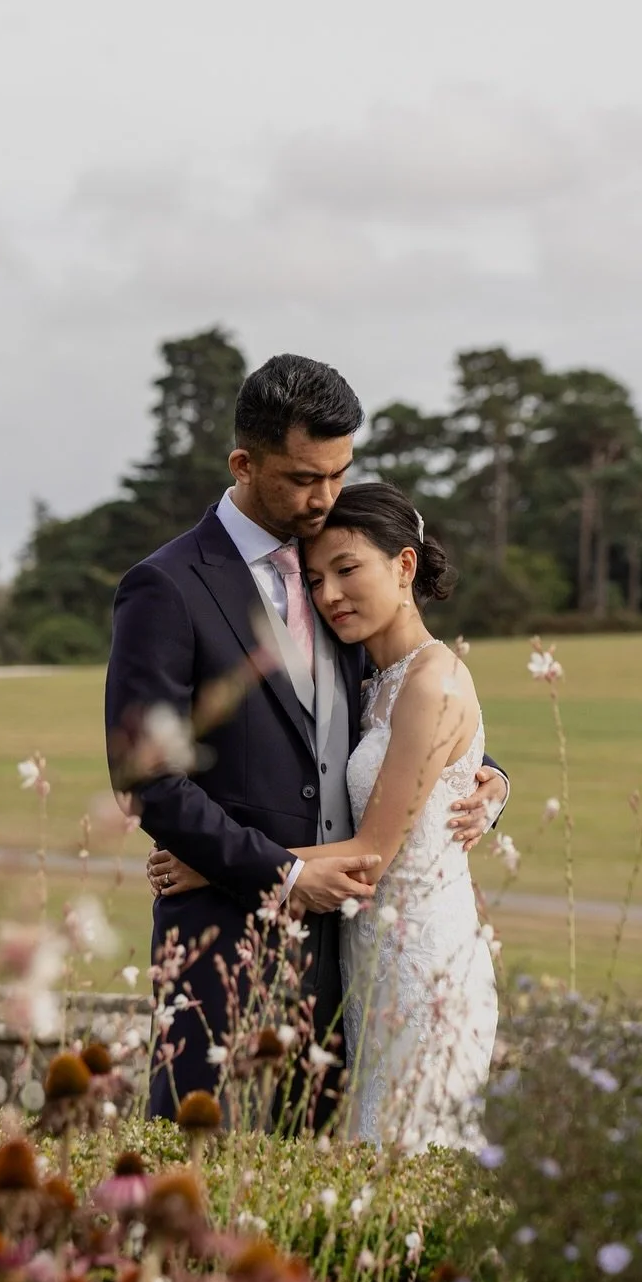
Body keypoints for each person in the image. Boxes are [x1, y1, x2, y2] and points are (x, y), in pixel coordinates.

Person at [105, 355, 507, 1120]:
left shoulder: (343, 580)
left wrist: (488, 779)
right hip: (225, 947)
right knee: (200, 1187)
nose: (324, 497)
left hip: (351, 960)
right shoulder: (167, 588)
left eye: (338, 472)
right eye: (301, 478)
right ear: (244, 463)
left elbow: (406, 711)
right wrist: (275, 876)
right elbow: (149, 779)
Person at [151, 480, 498, 1150]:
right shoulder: (375, 680)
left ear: (405, 564)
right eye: (314, 578)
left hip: (423, 963)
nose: (330, 594)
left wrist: (215, 866)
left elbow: (371, 850)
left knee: (406, 1161)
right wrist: (495, 780)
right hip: (369, 962)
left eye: (347, 570)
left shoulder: (431, 681)